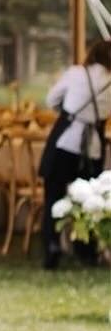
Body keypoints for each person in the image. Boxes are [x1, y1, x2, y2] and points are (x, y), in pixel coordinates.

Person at [41, 39, 111, 268]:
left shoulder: (76, 73)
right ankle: (86, 250)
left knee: (53, 194)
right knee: (90, 198)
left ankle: (52, 245)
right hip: (93, 145)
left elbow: (51, 99)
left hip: (66, 140)